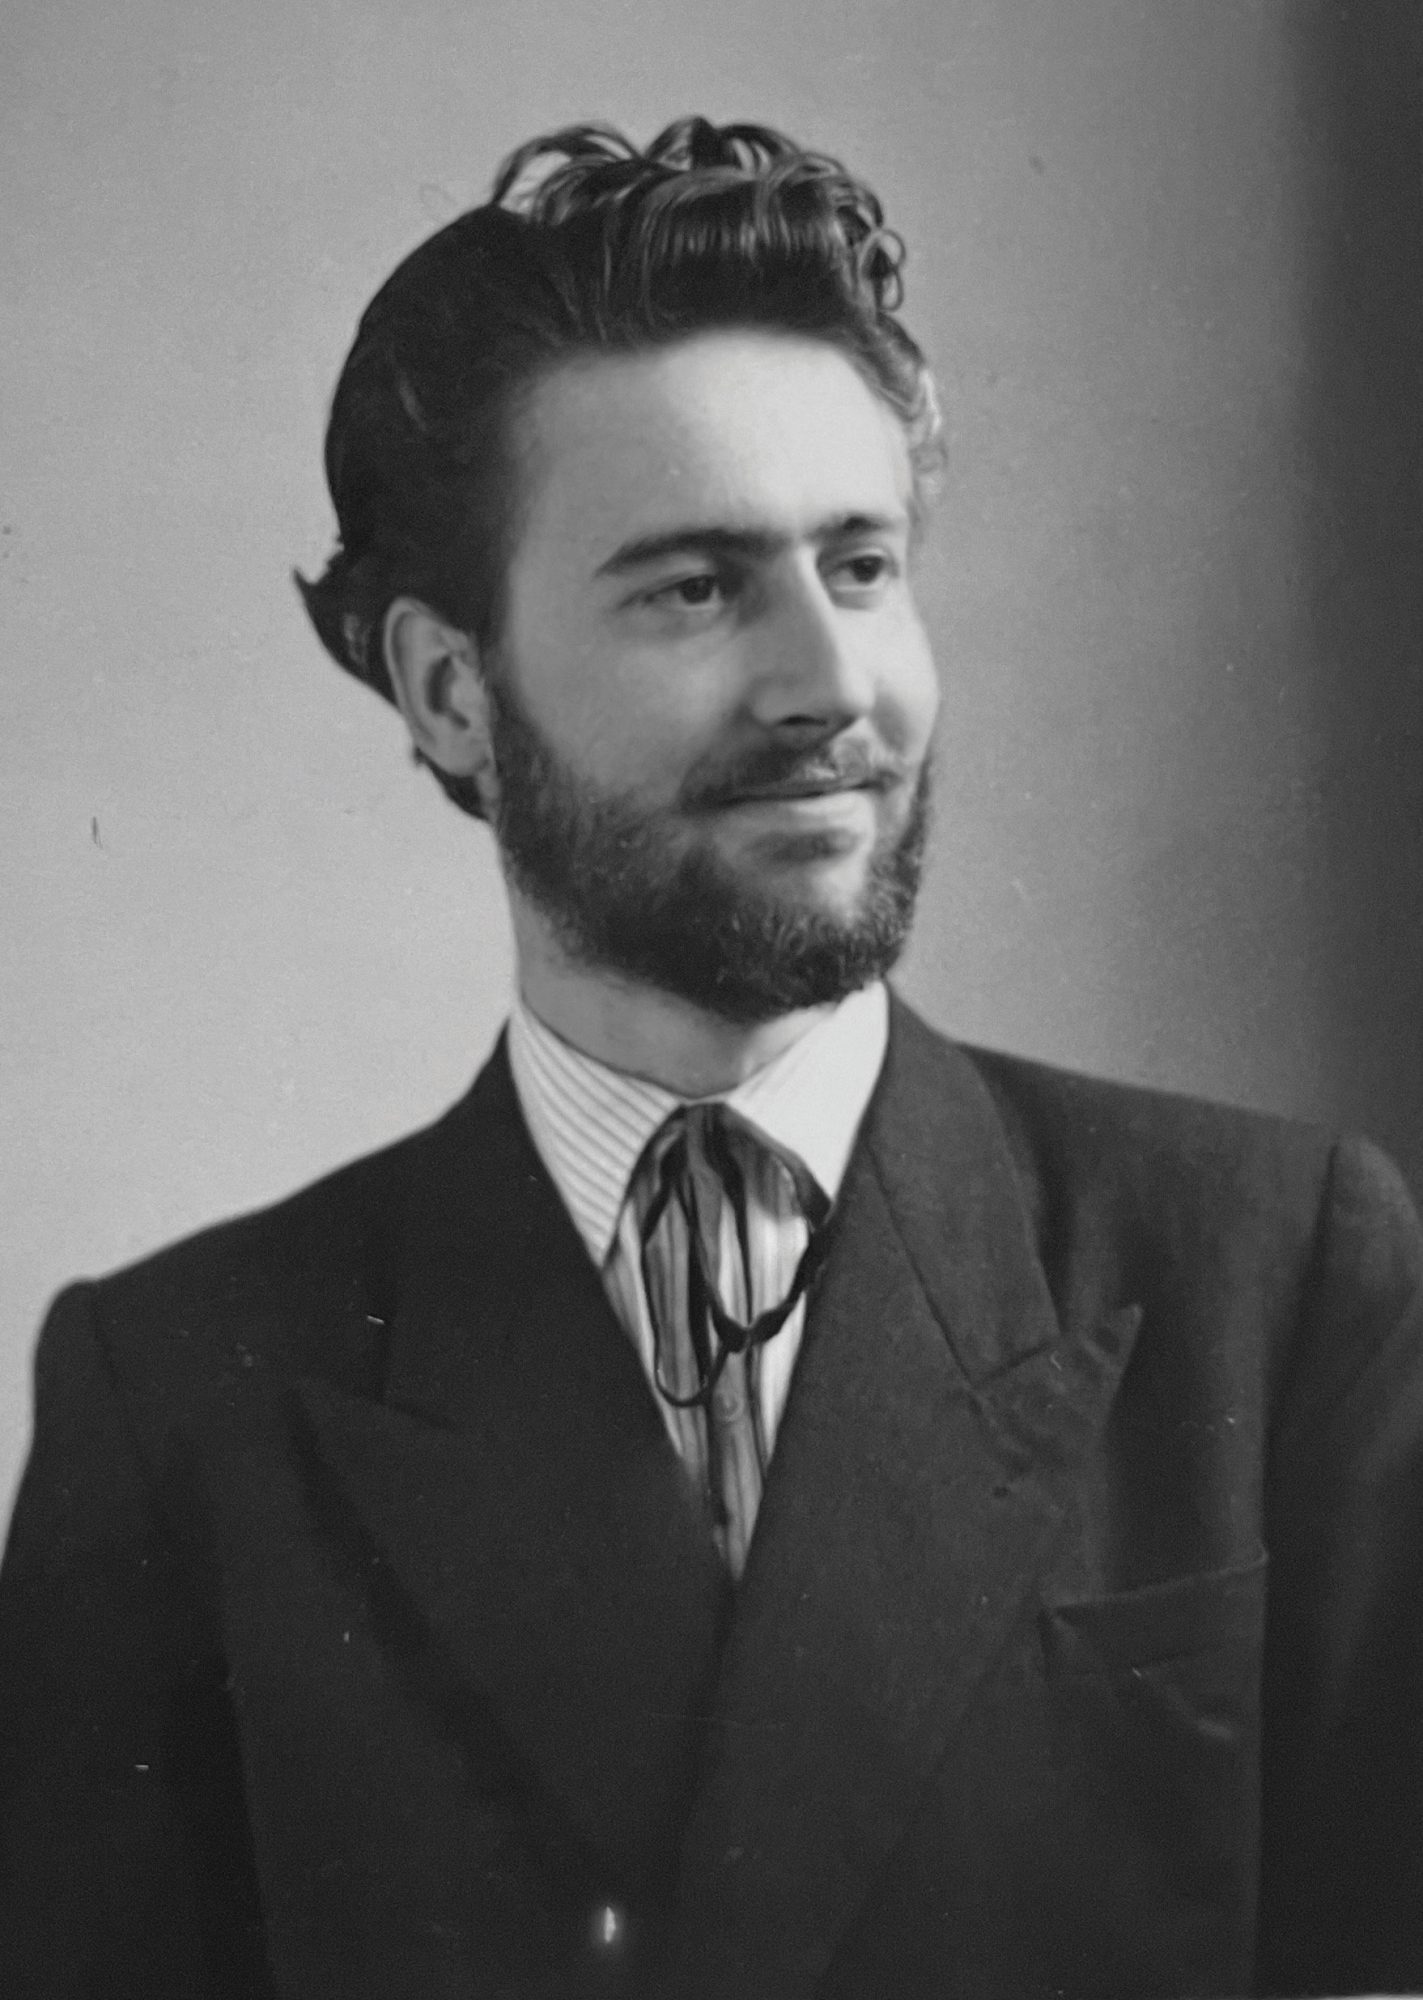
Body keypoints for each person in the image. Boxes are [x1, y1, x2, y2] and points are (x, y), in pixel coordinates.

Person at [1, 116, 1420, 2000]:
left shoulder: (1275, 1273)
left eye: (864, 565)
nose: (830, 686)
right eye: (692, 587)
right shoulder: (185, 1397)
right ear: (451, 690)